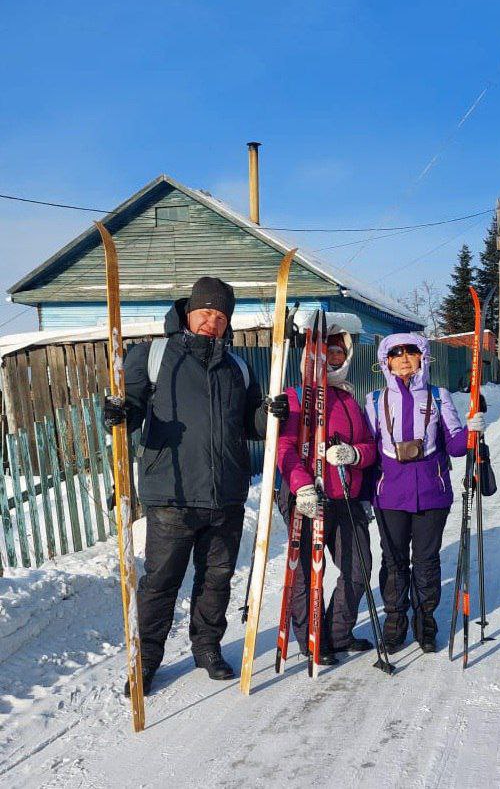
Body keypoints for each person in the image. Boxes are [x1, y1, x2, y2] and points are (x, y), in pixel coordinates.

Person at [102, 277, 288, 695]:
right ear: (189, 312)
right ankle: (145, 661)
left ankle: (207, 647)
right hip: (172, 493)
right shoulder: (151, 356)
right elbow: (128, 413)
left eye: (221, 316)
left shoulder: (237, 367)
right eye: (206, 312)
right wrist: (115, 413)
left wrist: (272, 414)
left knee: (216, 579)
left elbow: (252, 427)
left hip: (226, 494)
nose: (212, 321)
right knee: (160, 582)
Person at [366, 333, 484, 654]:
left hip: (432, 494)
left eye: (411, 352)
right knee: (393, 561)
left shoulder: (438, 396)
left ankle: (425, 622)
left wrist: (473, 428)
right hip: (389, 495)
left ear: (423, 357)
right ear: (385, 361)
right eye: (396, 353)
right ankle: (394, 623)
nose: (404, 358)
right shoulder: (375, 401)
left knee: (426, 561)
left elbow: (457, 446)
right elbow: (368, 449)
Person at [276, 320, 377, 663]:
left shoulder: (350, 399)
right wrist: (301, 484)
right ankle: (311, 639)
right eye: (325, 350)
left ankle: (336, 634)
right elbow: (285, 447)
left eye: (337, 351)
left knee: (359, 566)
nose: (331, 357)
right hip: (307, 496)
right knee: (307, 571)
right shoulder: (296, 396)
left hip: (346, 496)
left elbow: (369, 447)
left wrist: (355, 454)